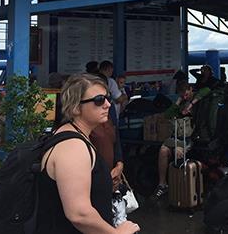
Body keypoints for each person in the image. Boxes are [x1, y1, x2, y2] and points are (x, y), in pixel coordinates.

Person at [36, 73, 139, 233]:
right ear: (76, 107)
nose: (107, 105)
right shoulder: (73, 147)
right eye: (99, 100)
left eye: (107, 98)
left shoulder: (74, 135)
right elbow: (79, 214)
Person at [152, 81, 195, 199]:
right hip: (177, 137)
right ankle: (162, 184)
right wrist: (178, 101)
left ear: (191, 89)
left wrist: (191, 105)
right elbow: (167, 115)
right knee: (163, 150)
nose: (185, 97)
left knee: (178, 151)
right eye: (182, 95)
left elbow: (205, 91)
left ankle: (181, 189)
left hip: (190, 138)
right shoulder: (181, 103)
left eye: (186, 94)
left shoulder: (196, 101)